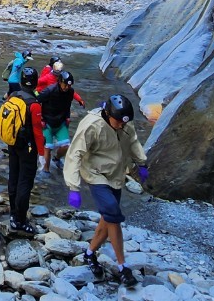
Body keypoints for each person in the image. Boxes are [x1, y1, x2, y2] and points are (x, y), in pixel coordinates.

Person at [64, 94, 149, 289]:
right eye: (118, 121)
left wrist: (141, 162)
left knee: (107, 219)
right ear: (108, 114)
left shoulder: (125, 124)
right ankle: (123, 267)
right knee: (112, 213)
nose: (121, 125)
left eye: (123, 122)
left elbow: (133, 142)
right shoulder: (91, 125)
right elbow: (75, 154)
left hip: (116, 174)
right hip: (96, 174)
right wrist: (73, 186)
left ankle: (89, 254)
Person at [5, 66, 45, 234]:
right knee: (25, 182)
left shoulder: (13, 96)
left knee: (13, 177)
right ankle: (20, 220)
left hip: (13, 142)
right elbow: (37, 131)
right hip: (28, 147)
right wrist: (42, 154)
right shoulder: (34, 104)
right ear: (35, 83)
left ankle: (13, 213)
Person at [38, 70, 85, 173]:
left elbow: (67, 105)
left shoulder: (70, 92)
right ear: (59, 82)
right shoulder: (49, 90)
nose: (67, 88)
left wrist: (67, 117)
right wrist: (40, 118)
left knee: (66, 146)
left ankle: (57, 158)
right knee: (48, 147)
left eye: (69, 86)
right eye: (65, 85)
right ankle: (45, 171)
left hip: (61, 122)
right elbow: (37, 102)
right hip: (47, 122)